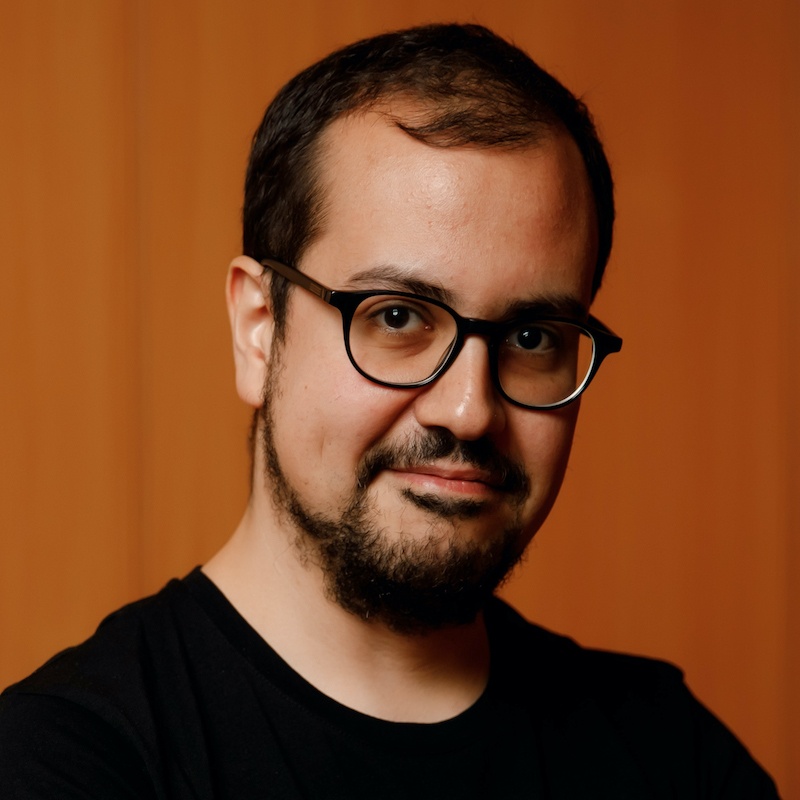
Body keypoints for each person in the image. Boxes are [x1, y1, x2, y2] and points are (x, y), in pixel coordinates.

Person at [0, 22, 779, 799]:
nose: (469, 410)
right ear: (259, 330)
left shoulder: (671, 756)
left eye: (532, 336)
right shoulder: (67, 763)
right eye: (399, 317)